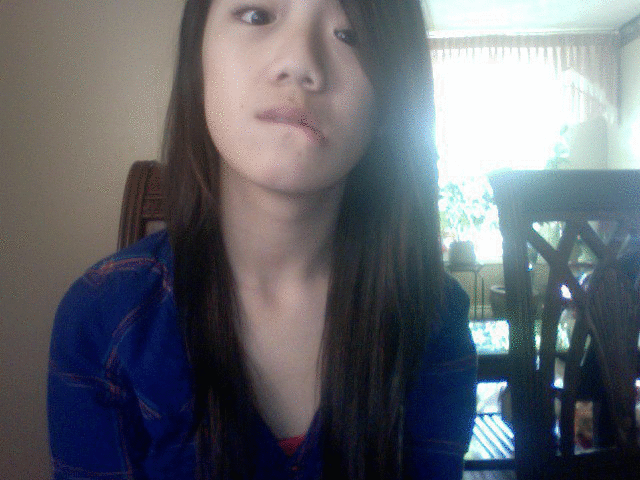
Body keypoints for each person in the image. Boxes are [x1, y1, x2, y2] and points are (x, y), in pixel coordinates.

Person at [48, 0, 477, 478]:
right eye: (256, 15)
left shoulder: (432, 317)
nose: (300, 63)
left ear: (392, 100)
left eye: (351, 34)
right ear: (198, 58)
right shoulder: (102, 316)